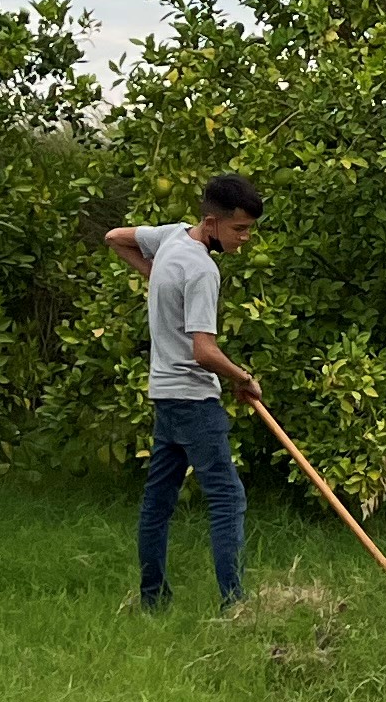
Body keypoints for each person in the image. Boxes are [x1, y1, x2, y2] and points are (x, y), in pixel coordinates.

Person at [105, 175, 266, 610]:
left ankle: (152, 599)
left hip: (164, 394)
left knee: (158, 502)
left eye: (250, 229)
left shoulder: (171, 236)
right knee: (227, 498)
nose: (245, 238)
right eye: (240, 229)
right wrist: (243, 378)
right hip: (194, 401)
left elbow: (115, 237)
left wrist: (157, 278)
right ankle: (236, 605)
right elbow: (203, 350)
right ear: (212, 222)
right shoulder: (202, 269)